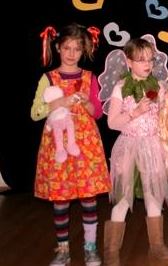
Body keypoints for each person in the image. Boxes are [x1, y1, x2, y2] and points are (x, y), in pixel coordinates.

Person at [98, 35, 168, 265]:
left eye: (150, 59)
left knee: (153, 196)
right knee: (122, 199)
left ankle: (157, 245)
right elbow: (112, 123)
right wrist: (135, 112)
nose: (147, 64)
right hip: (128, 148)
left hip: (152, 147)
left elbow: (165, 116)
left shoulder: (158, 86)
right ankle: (111, 250)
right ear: (128, 62)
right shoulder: (121, 87)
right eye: (141, 60)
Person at [30, 23, 110, 266]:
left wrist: (86, 103)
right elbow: (35, 113)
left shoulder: (89, 77)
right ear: (58, 47)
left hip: (86, 147)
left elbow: (97, 113)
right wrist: (60, 102)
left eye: (77, 49)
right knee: (60, 199)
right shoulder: (48, 78)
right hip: (58, 148)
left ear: (84, 50)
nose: (71, 53)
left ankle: (90, 248)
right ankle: (63, 249)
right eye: (67, 48)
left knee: (88, 198)